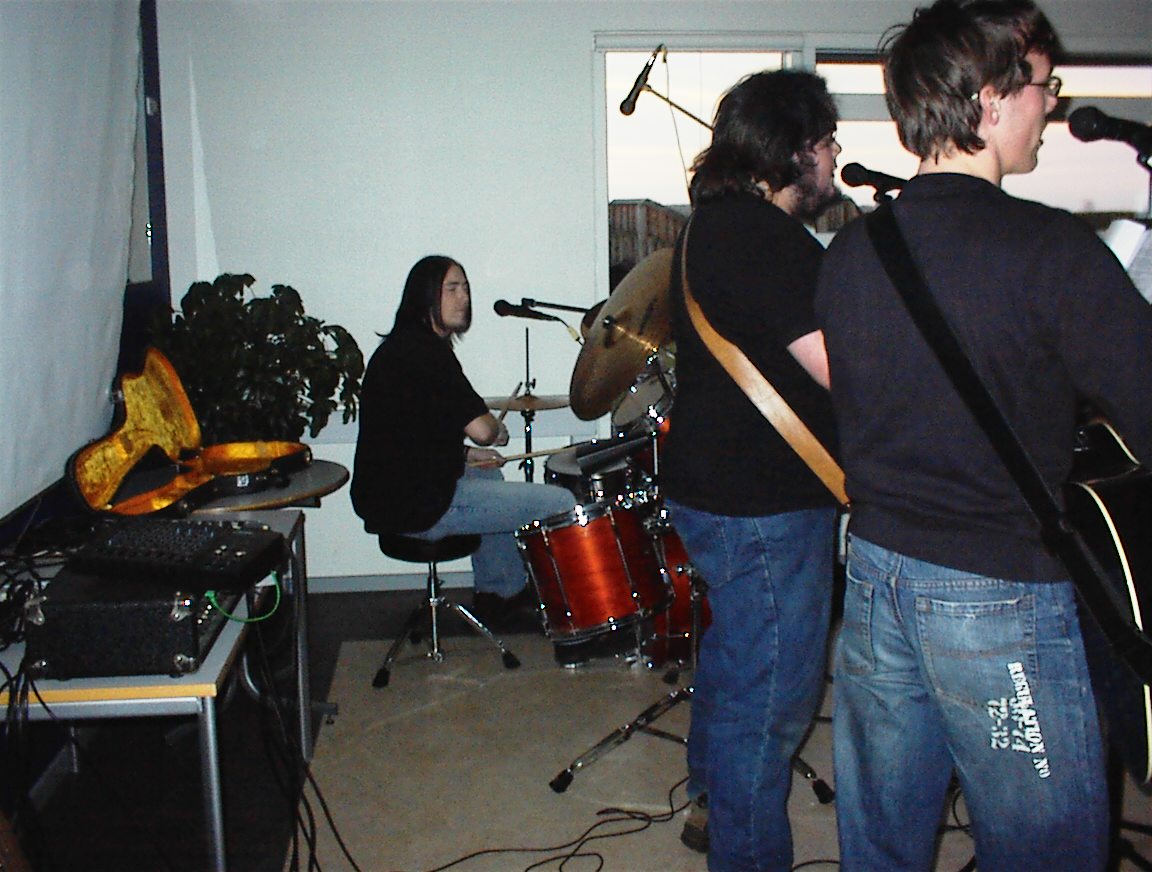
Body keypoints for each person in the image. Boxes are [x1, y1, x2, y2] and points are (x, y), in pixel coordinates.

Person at [815, 1, 1152, 869]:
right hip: (996, 601)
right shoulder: (1051, 249)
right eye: (1042, 83)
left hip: (875, 578)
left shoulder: (850, 255)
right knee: (1048, 854)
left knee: (880, 848)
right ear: (992, 100)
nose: (1053, 101)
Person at [660, 70, 844, 871]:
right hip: (765, 502)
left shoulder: (712, 226)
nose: (834, 156)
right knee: (769, 706)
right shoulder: (767, 236)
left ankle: (710, 799)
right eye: (826, 140)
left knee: (738, 662)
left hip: (722, 490)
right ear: (792, 149)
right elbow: (842, 368)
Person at [351, 255, 575, 628]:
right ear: (425, 296)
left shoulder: (400, 349)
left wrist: (468, 455)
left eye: (466, 288)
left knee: (488, 473)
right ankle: (576, 611)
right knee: (560, 502)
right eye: (452, 289)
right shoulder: (427, 354)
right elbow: (484, 429)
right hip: (419, 506)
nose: (464, 298)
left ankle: (499, 594)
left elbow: (412, 439)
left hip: (389, 496)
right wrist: (496, 431)